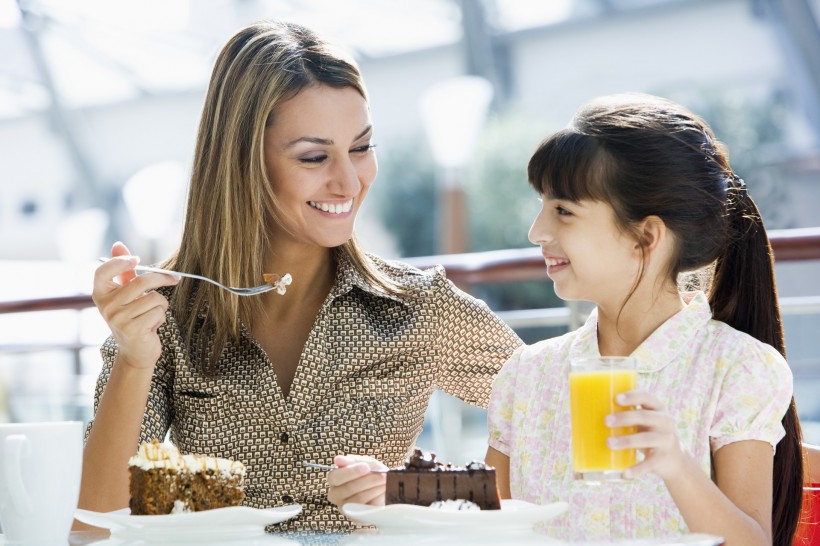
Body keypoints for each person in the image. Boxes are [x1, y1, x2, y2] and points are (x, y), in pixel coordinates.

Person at [79, 20, 522, 531]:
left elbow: (552, 421)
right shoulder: (166, 316)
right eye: (314, 156)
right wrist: (135, 359)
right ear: (242, 162)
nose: (350, 180)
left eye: (361, 147)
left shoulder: (420, 307)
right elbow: (93, 528)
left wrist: (407, 490)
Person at [486, 93, 803, 545]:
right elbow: (486, 530)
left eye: (563, 211)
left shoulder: (737, 368)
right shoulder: (526, 375)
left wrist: (675, 464)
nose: (536, 231)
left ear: (646, 235)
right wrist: (392, 492)